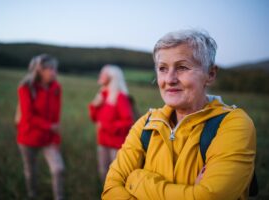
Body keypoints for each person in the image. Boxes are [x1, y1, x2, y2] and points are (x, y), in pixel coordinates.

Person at [102, 30, 256, 200]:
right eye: (162, 68)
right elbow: (110, 190)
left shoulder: (234, 125)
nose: (169, 79)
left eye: (182, 67)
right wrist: (191, 193)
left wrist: (137, 180)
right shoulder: (146, 124)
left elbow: (209, 197)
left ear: (210, 74)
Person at [16, 54, 65, 200]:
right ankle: (32, 195)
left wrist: (56, 138)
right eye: (50, 69)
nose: (54, 72)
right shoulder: (25, 88)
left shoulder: (57, 88)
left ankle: (59, 197)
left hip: (49, 139)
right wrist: (50, 126)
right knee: (31, 172)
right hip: (28, 137)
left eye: (55, 69)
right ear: (39, 70)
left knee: (59, 169)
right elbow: (28, 117)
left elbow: (56, 117)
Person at [88, 64, 134, 183]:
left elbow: (128, 122)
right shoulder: (102, 95)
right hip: (102, 142)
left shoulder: (120, 97)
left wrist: (106, 126)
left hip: (116, 145)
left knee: (117, 176)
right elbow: (94, 119)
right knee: (103, 172)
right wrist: (94, 106)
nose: (100, 75)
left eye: (103, 73)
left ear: (112, 77)